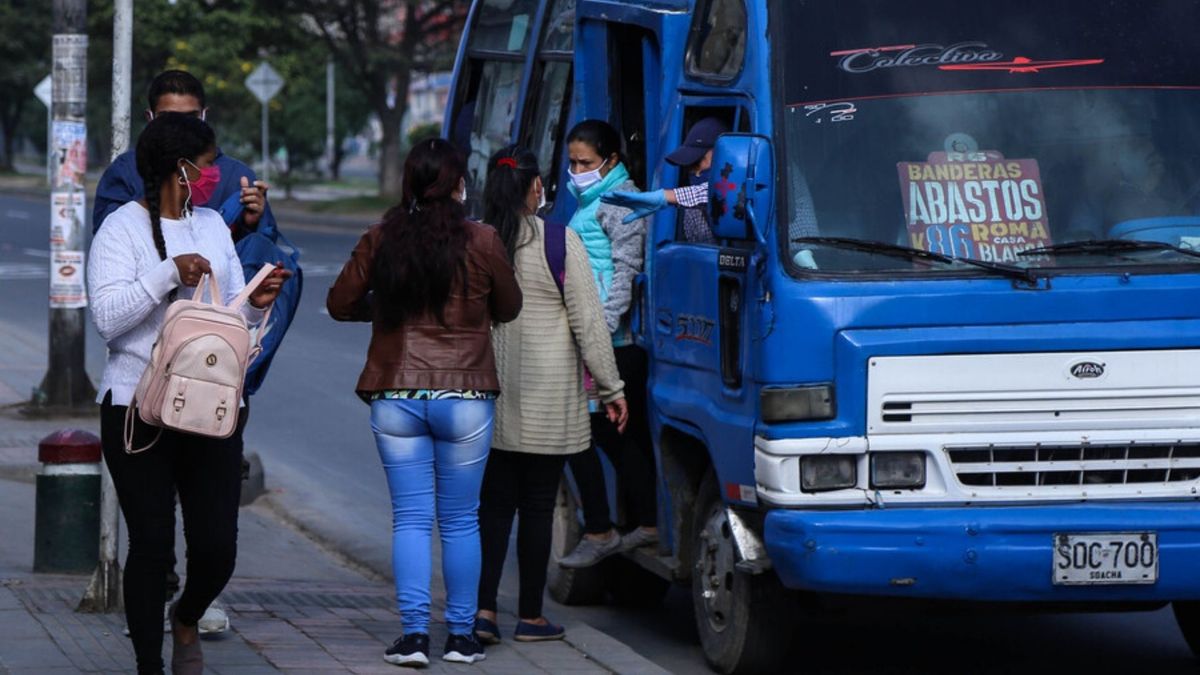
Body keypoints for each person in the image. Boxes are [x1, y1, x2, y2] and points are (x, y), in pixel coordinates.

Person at [93, 69, 301, 637]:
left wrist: (255, 305)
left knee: (217, 549)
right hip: (136, 406)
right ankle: (147, 663)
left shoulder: (211, 224)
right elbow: (108, 321)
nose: (215, 177)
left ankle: (186, 616)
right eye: (205, 167)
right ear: (176, 166)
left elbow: (230, 323)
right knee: (153, 544)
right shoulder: (121, 228)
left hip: (210, 405)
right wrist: (166, 274)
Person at [327, 138, 522, 667]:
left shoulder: (381, 237)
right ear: (459, 184)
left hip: (396, 395)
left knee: (410, 520)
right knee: (461, 521)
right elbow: (509, 306)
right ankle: (461, 637)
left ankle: (414, 637)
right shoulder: (482, 240)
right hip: (465, 396)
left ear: (409, 183)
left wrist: (391, 311)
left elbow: (339, 302)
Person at [474, 146, 628, 644]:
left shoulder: (478, 241)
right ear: (535, 188)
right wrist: (612, 387)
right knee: (538, 507)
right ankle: (530, 617)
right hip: (547, 399)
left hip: (487, 398)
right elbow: (589, 323)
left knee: (493, 509)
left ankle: (483, 613)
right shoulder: (559, 241)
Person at [556, 120, 659, 569]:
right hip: (601, 338)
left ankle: (617, 527)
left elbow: (624, 277)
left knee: (597, 433)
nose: (577, 170)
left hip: (614, 342)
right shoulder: (593, 200)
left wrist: (597, 334)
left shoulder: (619, 204)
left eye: (586, 162)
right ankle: (641, 523)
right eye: (573, 162)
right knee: (615, 435)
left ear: (611, 161)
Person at [600, 117, 729, 243]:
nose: (696, 172)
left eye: (698, 162)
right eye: (690, 166)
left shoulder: (743, 192)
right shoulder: (691, 212)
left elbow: (713, 192)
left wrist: (663, 197)